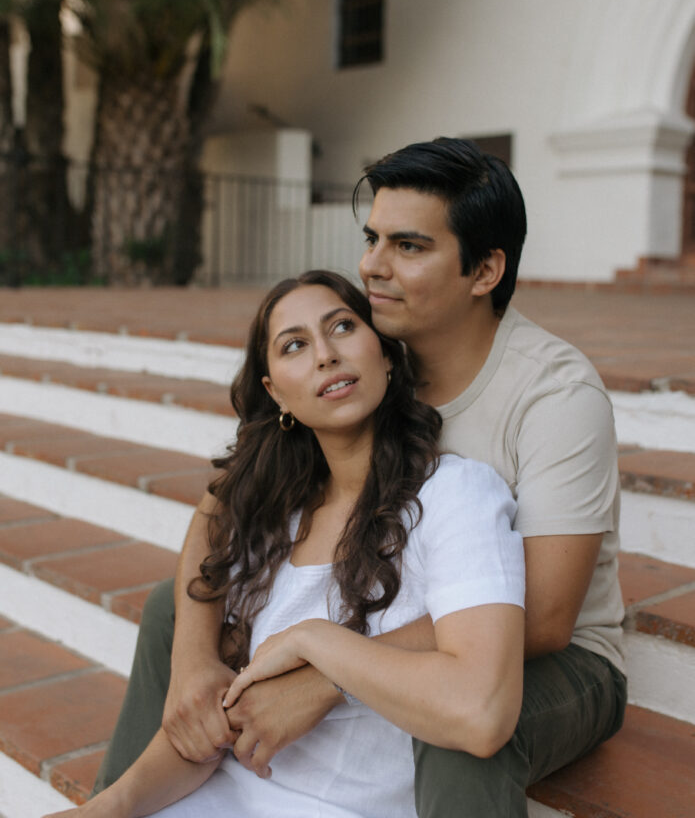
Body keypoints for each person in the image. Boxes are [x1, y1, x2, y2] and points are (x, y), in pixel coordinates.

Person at [93, 137, 626, 817]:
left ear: (484, 269)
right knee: (183, 605)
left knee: (458, 729)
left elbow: (547, 617)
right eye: (371, 238)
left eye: (407, 247)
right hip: (410, 615)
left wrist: (329, 674)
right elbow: (218, 507)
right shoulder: (368, 347)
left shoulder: (553, 395)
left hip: (561, 660)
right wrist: (194, 665)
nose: (371, 266)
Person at [46, 270, 526, 817]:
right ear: (276, 392)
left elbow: (481, 712)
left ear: (386, 355)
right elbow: (215, 727)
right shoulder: (275, 517)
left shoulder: (455, 495)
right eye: (294, 345)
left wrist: (315, 642)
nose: (325, 355)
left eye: (343, 327)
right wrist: (110, 808)